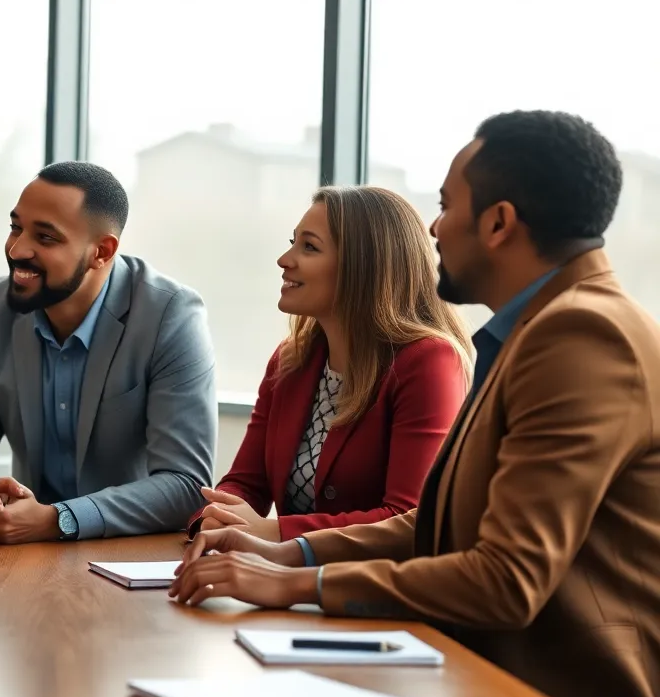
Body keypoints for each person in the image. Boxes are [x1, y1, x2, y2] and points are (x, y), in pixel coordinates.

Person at [169, 110, 660, 697]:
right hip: (487, 680)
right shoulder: (540, 329)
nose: (432, 228)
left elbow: (505, 579)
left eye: (449, 206)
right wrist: (283, 555)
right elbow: (433, 527)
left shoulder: (580, 335)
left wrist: (296, 583)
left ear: (499, 223)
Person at [0, 161, 217, 543]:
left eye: (45, 238)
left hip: (129, 556)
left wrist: (56, 519)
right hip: (24, 560)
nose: (17, 249)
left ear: (102, 251)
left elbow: (185, 484)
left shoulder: (170, 315)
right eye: (16, 227)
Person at [188, 186, 471, 543]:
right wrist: (217, 517)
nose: (284, 259)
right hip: (279, 585)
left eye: (309, 247)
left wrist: (273, 532)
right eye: (293, 242)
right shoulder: (290, 360)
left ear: (363, 266)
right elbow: (246, 482)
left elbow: (408, 518)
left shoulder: (429, 361)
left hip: (366, 591)